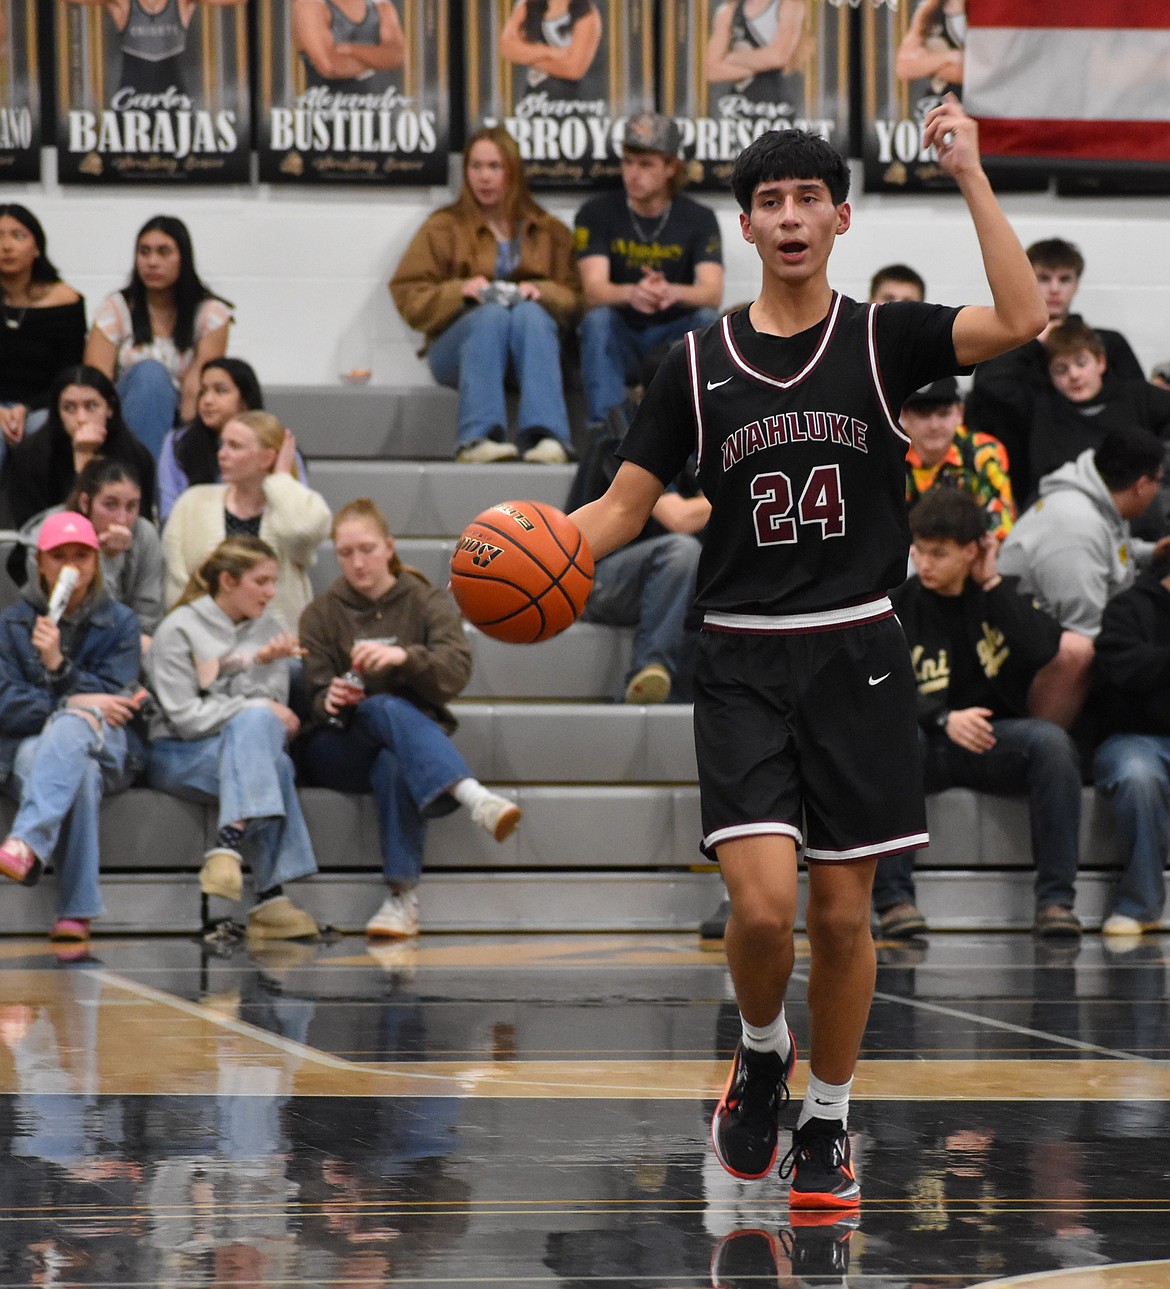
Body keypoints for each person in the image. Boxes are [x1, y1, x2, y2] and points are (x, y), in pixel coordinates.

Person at [569, 96, 1046, 1211]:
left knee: (843, 916)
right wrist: (531, 547)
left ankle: (829, 1115)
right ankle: (760, 1049)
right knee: (767, 908)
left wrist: (971, 169)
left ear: (841, 216)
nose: (787, 217)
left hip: (859, 658)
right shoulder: (695, 362)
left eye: (804, 200)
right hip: (740, 657)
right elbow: (621, 508)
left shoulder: (887, 339)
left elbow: (1022, 314)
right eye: (766, 202)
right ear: (744, 226)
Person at [296, 499, 523, 939]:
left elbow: (455, 671)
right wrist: (332, 697)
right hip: (338, 745)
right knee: (379, 708)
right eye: (345, 553)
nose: (357, 562)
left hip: (403, 747)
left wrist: (403, 657)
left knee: (393, 760)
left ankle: (400, 897)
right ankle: (471, 794)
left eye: (367, 549)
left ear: (389, 547)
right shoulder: (321, 614)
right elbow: (312, 693)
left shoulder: (425, 600)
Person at [871, 490, 1092, 941]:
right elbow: (875, 683)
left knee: (1051, 743)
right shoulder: (898, 603)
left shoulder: (999, 597)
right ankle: (894, 902)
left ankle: (1056, 902)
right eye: (919, 551)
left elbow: (1044, 650)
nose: (925, 563)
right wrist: (941, 718)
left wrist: (992, 581)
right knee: (893, 741)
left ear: (973, 550)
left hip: (992, 739)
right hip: (928, 741)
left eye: (939, 553)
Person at [145, 536, 320, 941]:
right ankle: (270, 898)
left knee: (267, 746)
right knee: (272, 756)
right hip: (177, 752)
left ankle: (227, 848)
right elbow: (186, 719)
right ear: (228, 580)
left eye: (274, 582)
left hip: (238, 749)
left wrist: (256, 708)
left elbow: (273, 714)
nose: (271, 592)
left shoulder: (272, 630)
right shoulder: (179, 628)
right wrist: (252, 709)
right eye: (261, 581)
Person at [390, 125, 582, 465]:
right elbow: (409, 295)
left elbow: (577, 298)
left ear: (513, 171)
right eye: (475, 167)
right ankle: (477, 439)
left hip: (531, 349)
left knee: (530, 313)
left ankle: (547, 438)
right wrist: (459, 291)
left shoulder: (547, 228)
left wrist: (541, 292)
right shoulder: (443, 225)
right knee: (490, 315)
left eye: (494, 167)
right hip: (463, 352)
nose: (484, 177)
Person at [0, 512, 145, 945]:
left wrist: (59, 667)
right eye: (59, 556)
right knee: (77, 768)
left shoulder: (120, 622)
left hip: (109, 743)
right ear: (40, 563)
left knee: (76, 725)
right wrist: (69, 700)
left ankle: (27, 840)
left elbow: (114, 704)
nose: (72, 566)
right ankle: (77, 911)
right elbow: (4, 701)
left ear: (97, 561)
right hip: (32, 743)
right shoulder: (11, 624)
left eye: (82, 556)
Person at [565, 346, 708, 704]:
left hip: (661, 583)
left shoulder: (699, 433)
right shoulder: (620, 433)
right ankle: (650, 667)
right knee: (681, 551)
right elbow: (680, 518)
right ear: (643, 395)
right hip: (590, 579)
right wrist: (746, 483)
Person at [574, 112, 724, 430]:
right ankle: (607, 432)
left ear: (670, 167)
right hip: (623, 336)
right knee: (597, 320)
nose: (633, 174)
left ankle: (701, 433)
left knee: (708, 322)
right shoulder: (596, 213)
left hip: (671, 337)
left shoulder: (699, 217)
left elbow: (712, 292)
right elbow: (593, 289)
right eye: (628, 162)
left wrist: (671, 292)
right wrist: (633, 292)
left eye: (645, 165)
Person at [967, 238, 1144, 495]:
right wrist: (1034, 339)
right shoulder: (1007, 346)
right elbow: (989, 389)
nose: (1054, 289)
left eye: (1064, 279)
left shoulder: (1108, 342)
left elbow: (1136, 401)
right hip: (1026, 471)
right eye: (1043, 278)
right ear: (1027, 280)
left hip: (1102, 464)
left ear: (1076, 284)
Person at [163, 410, 331, 630]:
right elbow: (177, 583)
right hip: (204, 643)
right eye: (222, 444)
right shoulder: (192, 502)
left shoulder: (289, 507)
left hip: (279, 646)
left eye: (235, 446)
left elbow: (303, 532)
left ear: (266, 458)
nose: (222, 454)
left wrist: (281, 480)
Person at [83, 214, 233, 461]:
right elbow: (96, 385)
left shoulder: (210, 313)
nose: (152, 262)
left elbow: (200, 385)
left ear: (183, 259)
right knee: (150, 375)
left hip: (185, 414)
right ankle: (146, 489)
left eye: (164, 252)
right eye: (144, 252)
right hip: (122, 418)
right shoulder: (116, 308)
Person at [998, 426, 1170, 640]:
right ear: (1141, 485)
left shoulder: (1101, 496)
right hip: (1042, 649)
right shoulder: (1076, 531)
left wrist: (1153, 551)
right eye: (1159, 481)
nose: (1158, 491)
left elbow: (1110, 551)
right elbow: (1086, 634)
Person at [1092, 562, 1170, 936]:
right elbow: (1125, 671)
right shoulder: (1130, 608)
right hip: (1134, 736)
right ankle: (1141, 906)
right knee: (1139, 776)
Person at [1025, 321, 1170, 515]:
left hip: (1146, 509)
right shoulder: (1044, 412)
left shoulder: (1137, 395)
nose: (1074, 375)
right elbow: (994, 383)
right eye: (1061, 370)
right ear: (1049, 375)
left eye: (1081, 363)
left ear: (1101, 362)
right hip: (1076, 513)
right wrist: (1033, 341)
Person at [19, 458, 165, 646]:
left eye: (131, 507)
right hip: (56, 635)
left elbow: (148, 616)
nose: (121, 519)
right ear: (85, 502)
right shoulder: (47, 536)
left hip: (124, 639)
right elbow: (61, 612)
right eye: (110, 505)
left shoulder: (145, 534)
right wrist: (105, 559)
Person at [3, 364, 156, 528]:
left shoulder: (136, 455)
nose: (81, 418)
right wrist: (83, 457)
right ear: (58, 413)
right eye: (69, 408)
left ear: (109, 408)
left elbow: (141, 525)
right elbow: (33, 528)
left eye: (91, 406)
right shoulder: (31, 456)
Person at [0, 205, 86, 462]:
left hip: (44, 404)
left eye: (18, 236)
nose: (6, 246)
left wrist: (26, 409)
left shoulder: (65, 300)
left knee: (43, 431)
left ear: (37, 247)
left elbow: (69, 373)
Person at [902, 377, 1015, 541]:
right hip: (911, 556)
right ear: (904, 416)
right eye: (923, 414)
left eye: (943, 413)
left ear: (960, 413)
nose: (934, 425)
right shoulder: (893, 456)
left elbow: (999, 526)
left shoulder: (984, 452)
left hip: (972, 555)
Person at [63, 0, 247, 97]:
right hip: (130, 100)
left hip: (174, 98)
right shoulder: (123, 3)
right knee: (127, 166)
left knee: (180, 165)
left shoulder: (181, 2)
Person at [157, 357, 265, 522]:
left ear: (245, 401)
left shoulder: (273, 442)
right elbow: (168, 512)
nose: (207, 401)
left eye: (220, 391)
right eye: (203, 391)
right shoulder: (178, 442)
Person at [704, 0, 808, 110]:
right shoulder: (727, 12)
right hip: (739, 105)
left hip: (780, 106)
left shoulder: (790, 5)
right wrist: (762, 64)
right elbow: (711, 69)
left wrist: (731, 58)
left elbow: (778, 56)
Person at [499, 0, 604, 103]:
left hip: (572, 103)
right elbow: (506, 46)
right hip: (533, 101)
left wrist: (526, 55)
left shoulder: (586, 13)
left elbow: (574, 69)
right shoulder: (528, 6)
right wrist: (550, 52)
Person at [293, 0, 405, 95]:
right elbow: (330, 66)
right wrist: (381, 59)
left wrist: (350, 49)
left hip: (382, 113)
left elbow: (399, 56)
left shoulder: (382, 6)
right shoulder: (309, 5)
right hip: (326, 114)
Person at [894, 0, 965, 99]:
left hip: (976, 103)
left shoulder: (985, 12)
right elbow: (903, 67)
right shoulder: (930, 8)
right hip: (940, 102)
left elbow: (973, 75)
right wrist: (950, 57)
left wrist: (927, 64)